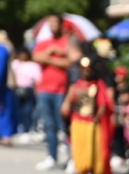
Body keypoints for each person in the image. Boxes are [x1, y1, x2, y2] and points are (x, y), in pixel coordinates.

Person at [35, 15, 76, 170]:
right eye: (49, 23)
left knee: (64, 126)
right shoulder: (45, 43)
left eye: (55, 23)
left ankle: (72, 159)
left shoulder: (68, 41)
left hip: (62, 91)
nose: (52, 25)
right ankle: (51, 157)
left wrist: (48, 58)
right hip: (44, 90)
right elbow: (36, 57)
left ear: (61, 24)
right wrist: (52, 51)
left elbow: (69, 63)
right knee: (49, 126)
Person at [63, 55, 114, 174]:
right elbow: (70, 102)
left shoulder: (98, 84)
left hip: (92, 122)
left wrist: (97, 117)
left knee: (94, 150)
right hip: (78, 121)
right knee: (79, 148)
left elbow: (103, 104)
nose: (86, 72)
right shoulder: (76, 85)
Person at [12, 47, 43, 138]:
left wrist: (37, 92)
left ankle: (27, 129)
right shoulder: (16, 63)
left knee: (27, 111)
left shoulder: (33, 65)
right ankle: (19, 126)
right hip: (17, 89)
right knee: (17, 110)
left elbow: (38, 80)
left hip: (28, 90)